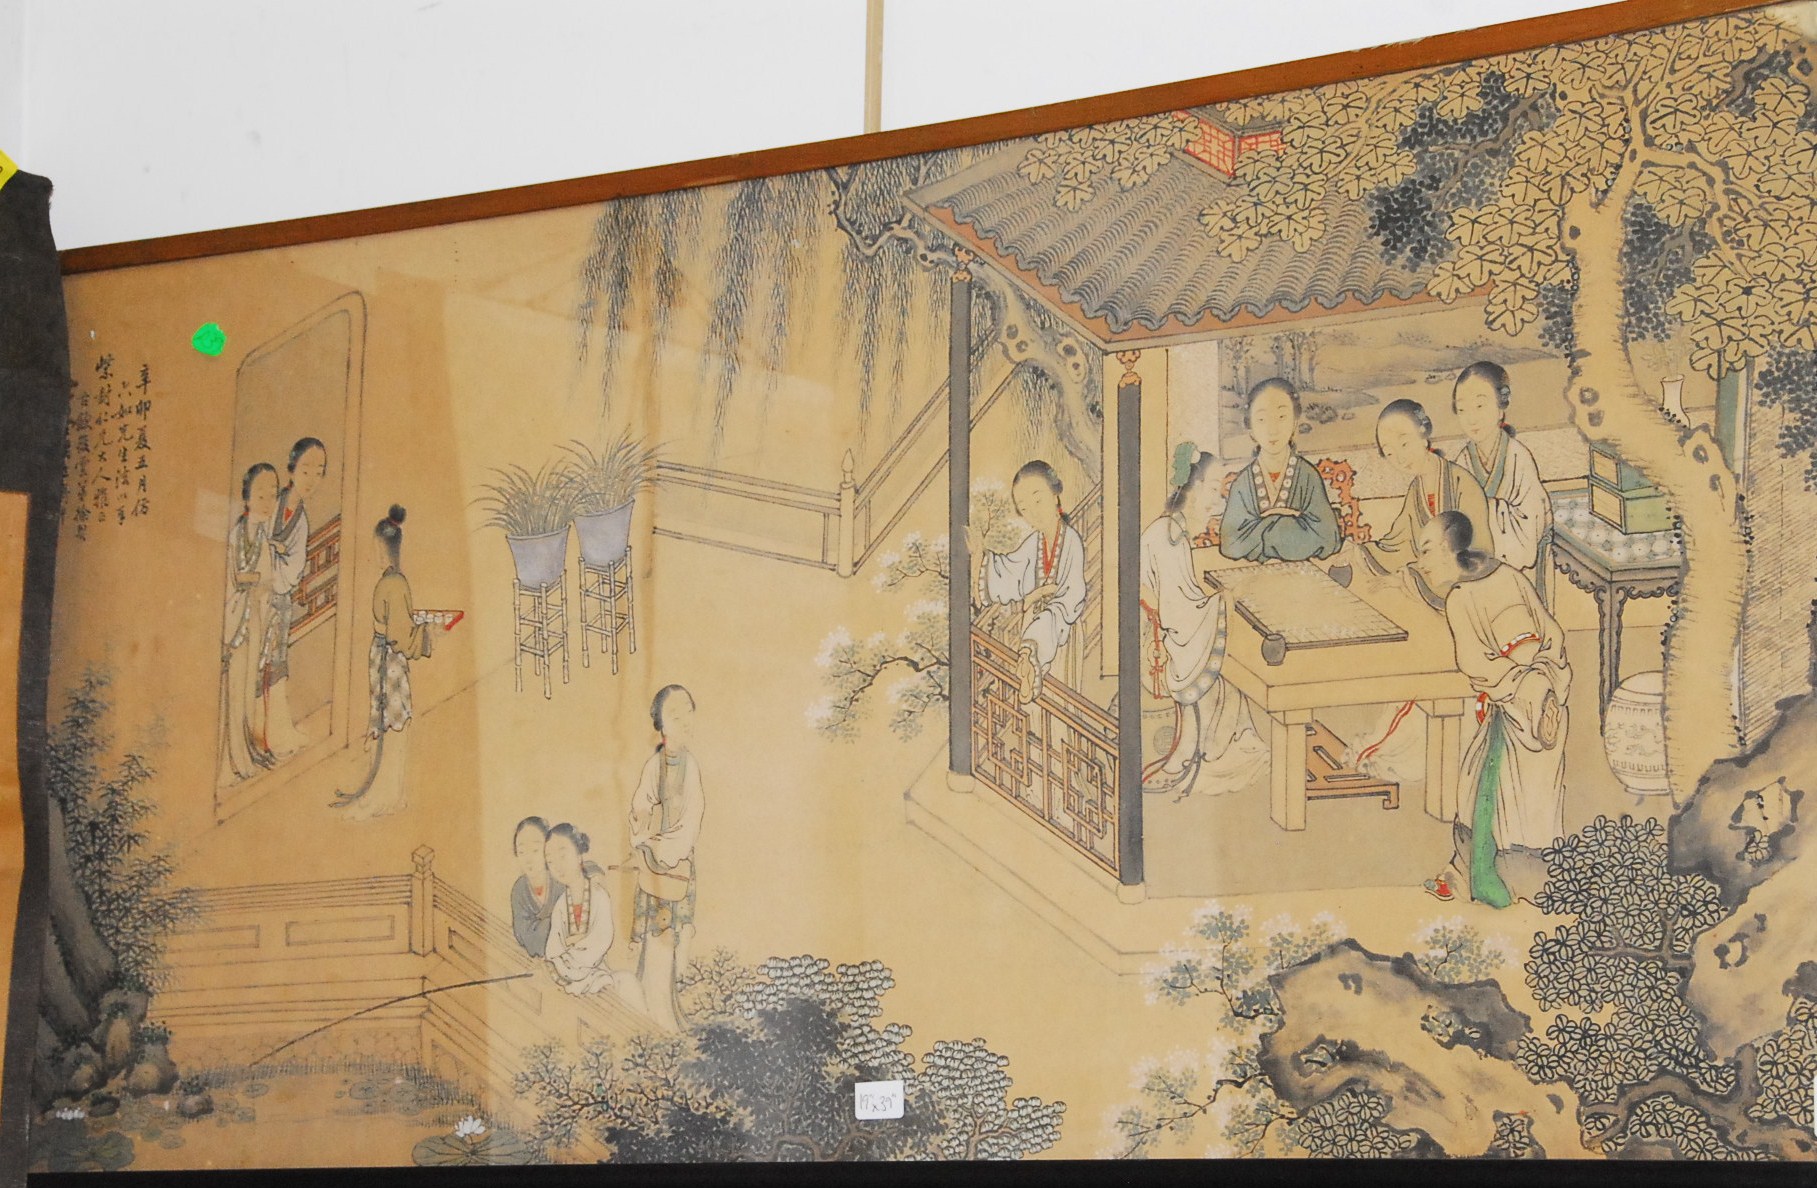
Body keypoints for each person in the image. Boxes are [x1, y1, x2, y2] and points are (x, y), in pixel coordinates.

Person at [1418, 511, 1571, 908]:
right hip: (1521, 696)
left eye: (1427, 550)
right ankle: (1464, 873)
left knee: (1508, 804)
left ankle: (1512, 889)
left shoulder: (1466, 596)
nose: (1421, 562)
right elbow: (1545, 636)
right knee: (1486, 792)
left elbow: (1497, 656)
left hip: (1522, 702)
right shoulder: (1504, 575)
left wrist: (1522, 684)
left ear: (1450, 549)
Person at [1139, 443, 1268, 793]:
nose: (1217, 500)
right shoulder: (1167, 537)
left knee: (1231, 681)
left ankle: (1223, 751)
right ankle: (1199, 759)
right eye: (1213, 488)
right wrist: (1223, 601)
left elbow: (1183, 600)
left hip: (1167, 631)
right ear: (1194, 489)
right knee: (1227, 673)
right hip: (1157, 642)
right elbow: (1178, 612)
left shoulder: (1173, 532)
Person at [333, 505, 434, 819]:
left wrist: (418, 630)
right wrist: (429, 634)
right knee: (393, 725)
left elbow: (397, 631)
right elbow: (401, 637)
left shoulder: (391, 582)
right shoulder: (395, 583)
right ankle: (388, 794)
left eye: (375, 550)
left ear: (382, 550)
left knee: (391, 725)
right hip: (390, 660)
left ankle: (392, 794)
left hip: (384, 657)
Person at [969, 460, 1088, 703]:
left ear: (1055, 495)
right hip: (1032, 622)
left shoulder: (1072, 540)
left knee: (1058, 700)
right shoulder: (1033, 543)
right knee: (1035, 706)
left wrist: (1037, 596)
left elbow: (1071, 594)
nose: (1033, 512)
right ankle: (1028, 663)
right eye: (1024, 508)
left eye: (1038, 500)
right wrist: (980, 556)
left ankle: (1029, 660)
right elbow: (1009, 572)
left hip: (1062, 628)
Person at [1354, 399, 1491, 602]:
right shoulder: (1415, 491)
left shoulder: (1462, 483)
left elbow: (1479, 551)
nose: (1400, 459)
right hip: (1431, 582)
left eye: (1404, 444)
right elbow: (1397, 544)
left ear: (1423, 436)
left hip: (1468, 587)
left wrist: (1410, 577)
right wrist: (1359, 553)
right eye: (1389, 452)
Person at [628, 685, 704, 1031]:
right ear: (660, 724)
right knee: (652, 937)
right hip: (652, 863)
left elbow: (693, 816)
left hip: (678, 862)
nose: (685, 720)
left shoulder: (690, 766)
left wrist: (669, 847)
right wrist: (647, 839)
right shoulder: (653, 765)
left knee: (674, 939)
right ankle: (649, 1012)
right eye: (675, 714)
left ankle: (666, 1013)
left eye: (688, 711)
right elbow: (640, 807)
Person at [1218, 378, 1343, 564]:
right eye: (1262, 420)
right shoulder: (1242, 484)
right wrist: (1289, 521)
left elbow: (1328, 538)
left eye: (1281, 417)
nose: (1272, 430)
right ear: (1250, 429)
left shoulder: (1308, 476)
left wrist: (1266, 528)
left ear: (1295, 422)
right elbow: (1230, 544)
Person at [260, 437, 329, 758]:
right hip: (258, 597)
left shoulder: (300, 519)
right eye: (306, 470)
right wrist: (273, 552)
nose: (312, 479)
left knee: (276, 666)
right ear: (291, 470)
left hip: (279, 599)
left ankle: (277, 734)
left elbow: (294, 566)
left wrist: (276, 559)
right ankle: (260, 735)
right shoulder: (272, 503)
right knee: (258, 667)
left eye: (319, 471)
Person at [1453, 362, 1551, 582]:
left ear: (1500, 408)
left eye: (1479, 406)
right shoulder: (1463, 461)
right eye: (1462, 409)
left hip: (1520, 568)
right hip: (1477, 563)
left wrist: (1487, 510)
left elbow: (1530, 522)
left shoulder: (1518, 458)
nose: (1471, 418)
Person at [219, 463, 281, 784]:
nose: (267, 501)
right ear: (247, 497)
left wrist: (254, 579)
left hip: (254, 617)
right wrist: (254, 579)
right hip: (235, 620)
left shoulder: (263, 536)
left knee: (248, 691)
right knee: (235, 690)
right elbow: (234, 579)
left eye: (272, 494)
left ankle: (248, 751)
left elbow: (267, 580)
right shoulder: (235, 535)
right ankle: (237, 759)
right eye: (261, 495)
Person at [544, 823, 626, 997]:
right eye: (550, 861)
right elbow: (553, 946)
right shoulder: (560, 904)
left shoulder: (599, 895)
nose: (557, 866)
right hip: (564, 973)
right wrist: (563, 959)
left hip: (596, 972)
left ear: (579, 855)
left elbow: (602, 938)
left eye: (562, 856)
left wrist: (572, 946)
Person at [509, 816, 567, 960]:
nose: (528, 859)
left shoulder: (560, 880)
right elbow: (525, 937)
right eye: (522, 852)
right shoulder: (519, 890)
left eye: (535, 850)